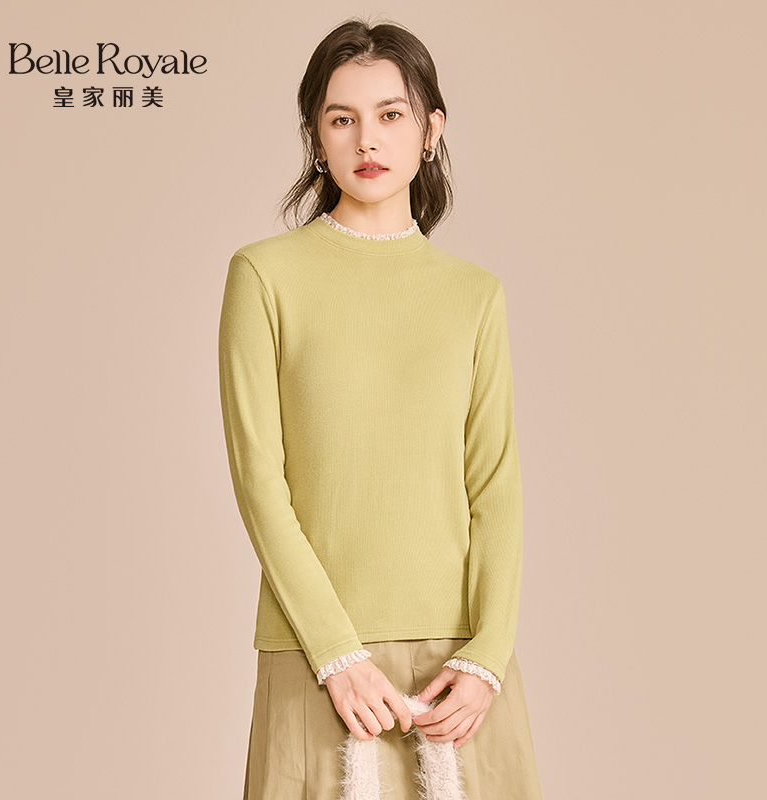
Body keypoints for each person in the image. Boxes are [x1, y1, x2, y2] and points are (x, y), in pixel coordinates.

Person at [218, 16, 543, 800]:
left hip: (458, 671)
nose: (367, 139)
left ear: (431, 130)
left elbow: (494, 486)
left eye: (391, 114)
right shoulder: (264, 277)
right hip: (316, 651)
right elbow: (260, 483)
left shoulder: (474, 295)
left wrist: (488, 655)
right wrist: (335, 651)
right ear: (315, 137)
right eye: (342, 118)